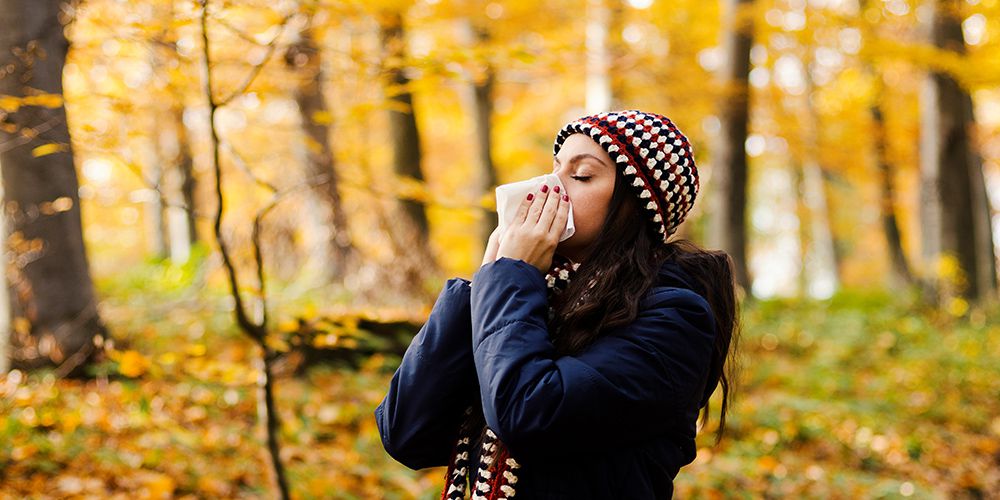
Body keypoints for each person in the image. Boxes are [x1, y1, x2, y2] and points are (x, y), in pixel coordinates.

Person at [374, 110, 741, 499]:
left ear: (635, 205)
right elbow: (405, 433)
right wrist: (485, 281)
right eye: (554, 168)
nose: (551, 186)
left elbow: (528, 413)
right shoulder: (534, 297)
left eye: (580, 175)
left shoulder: (675, 318)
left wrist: (510, 279)